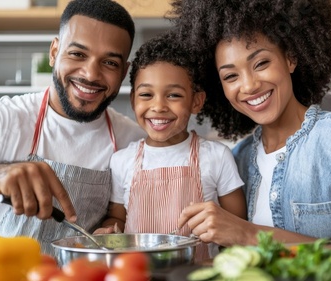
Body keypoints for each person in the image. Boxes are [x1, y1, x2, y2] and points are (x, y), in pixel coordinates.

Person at [169, 0, 331, 261]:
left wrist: (249, 234)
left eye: (261, 63)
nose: (248, 85)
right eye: (230, 76)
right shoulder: (236, 160)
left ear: (290, 58)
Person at [0, 0, 146, 255]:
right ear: (54, 52)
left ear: (124, 72)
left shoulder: (134, 141)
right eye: (77, 54)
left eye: (109, 62)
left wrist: (115, 226)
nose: (90, 74)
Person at [94, 32, 246, 260]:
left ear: (196, 101)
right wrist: (108, 230)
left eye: (173, 95)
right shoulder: (121, 160)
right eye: (146, 94)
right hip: (137, 273)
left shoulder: (216, 156)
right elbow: (118, 218)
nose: (158, 106)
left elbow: (238, 229)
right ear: (134, 98)